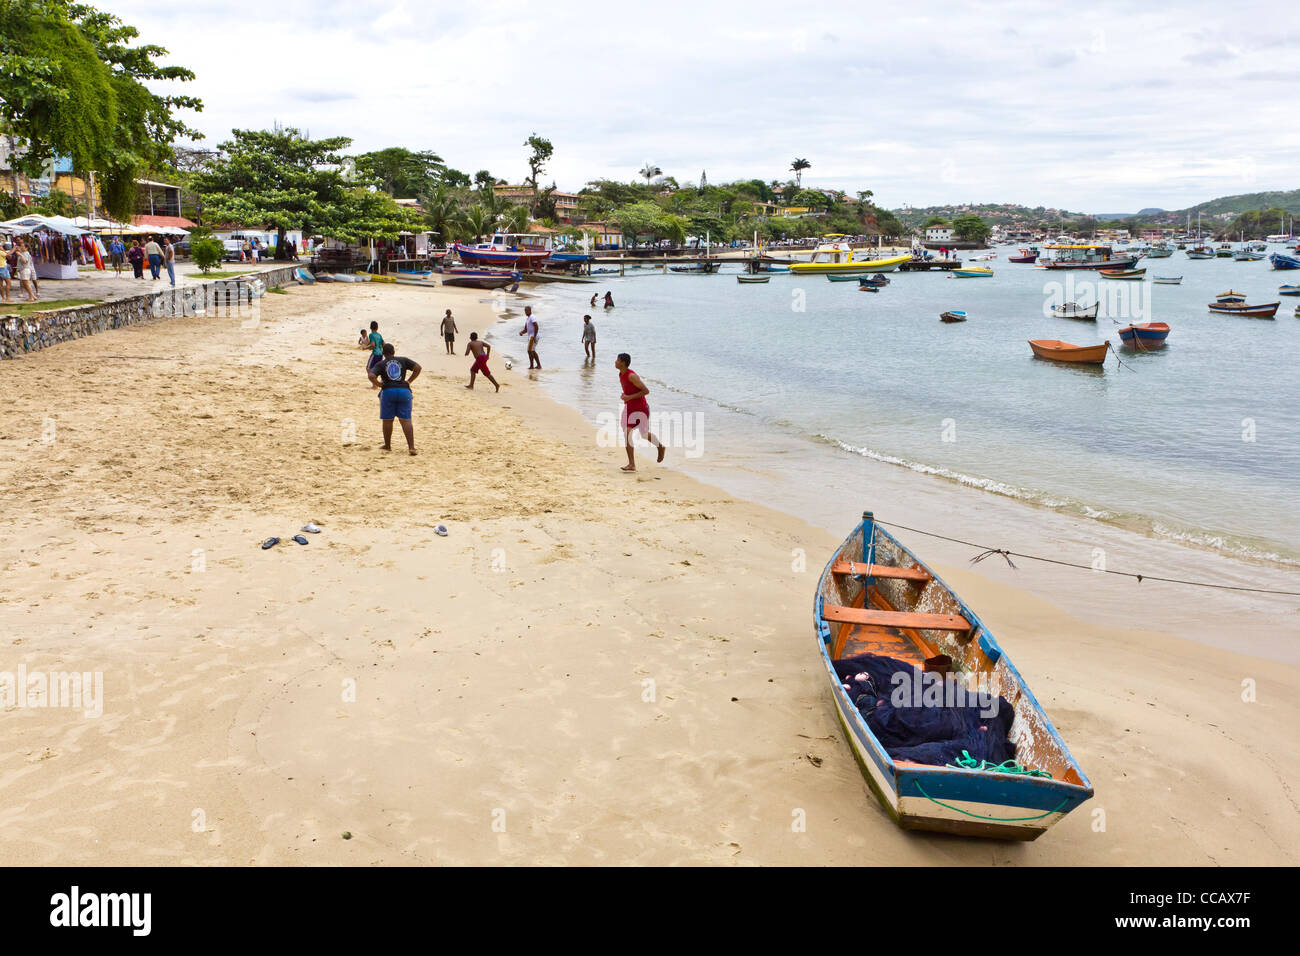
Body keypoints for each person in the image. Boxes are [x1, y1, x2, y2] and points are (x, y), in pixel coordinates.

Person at [367, 343, 421, 455]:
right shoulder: (403, 360)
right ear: (394, 352)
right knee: (406, 420)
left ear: (383, 353)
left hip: (388, 392)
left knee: (387, 420)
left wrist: (379, 384)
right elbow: (418, 368)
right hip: (404, 392)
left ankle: (387, 446)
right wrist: (409, 381)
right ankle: (411, 447)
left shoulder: (381, 363)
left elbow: (371, 376)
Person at [614, 352, 664, 472]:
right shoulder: (621, 374)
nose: (615, 361)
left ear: (623, 363)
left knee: (644, 434)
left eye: (617, 360)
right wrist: (625, 396)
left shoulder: (632, 376)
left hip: (641, 408)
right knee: (627, 433)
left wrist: (629, 397)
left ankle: (660, 447)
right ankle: (632, 464)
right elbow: (629, 390)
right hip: (630, 408)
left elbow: (646, 391)